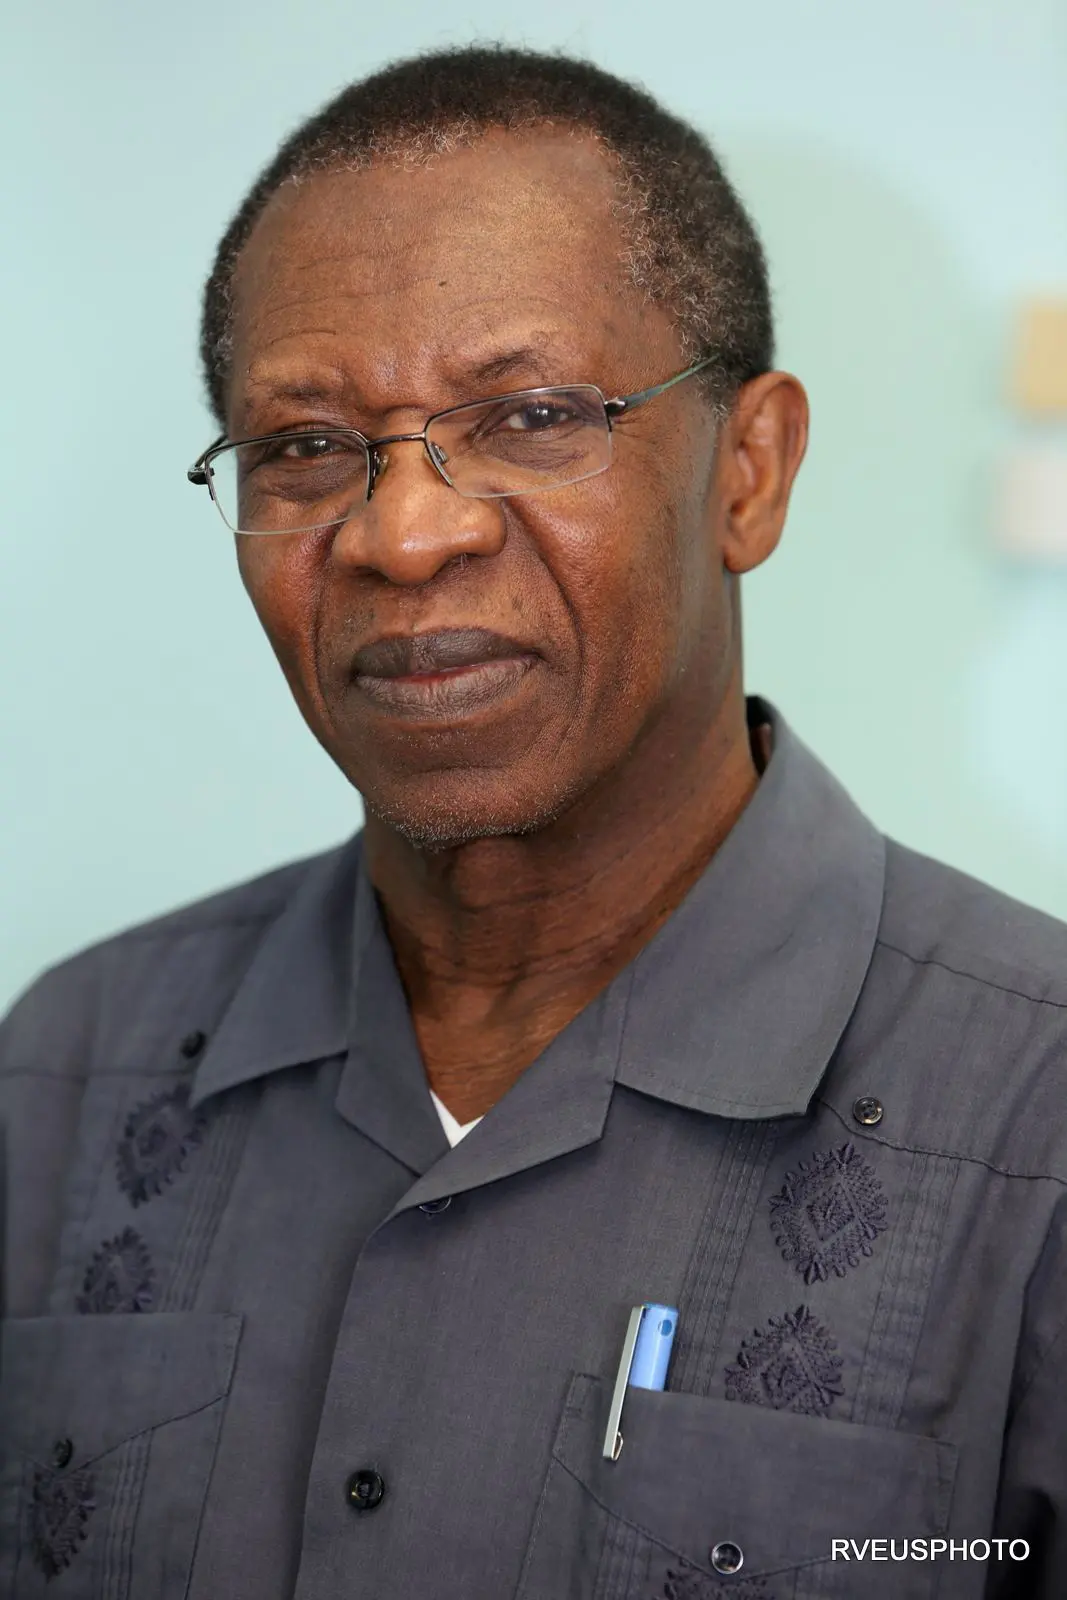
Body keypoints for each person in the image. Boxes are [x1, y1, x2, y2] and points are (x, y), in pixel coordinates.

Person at [1, 44, 1064, 1600]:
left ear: (748, 471)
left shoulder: (1033, 1118)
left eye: (532, 415)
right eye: (305, 447)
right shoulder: (69, 1072)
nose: (403, 532)